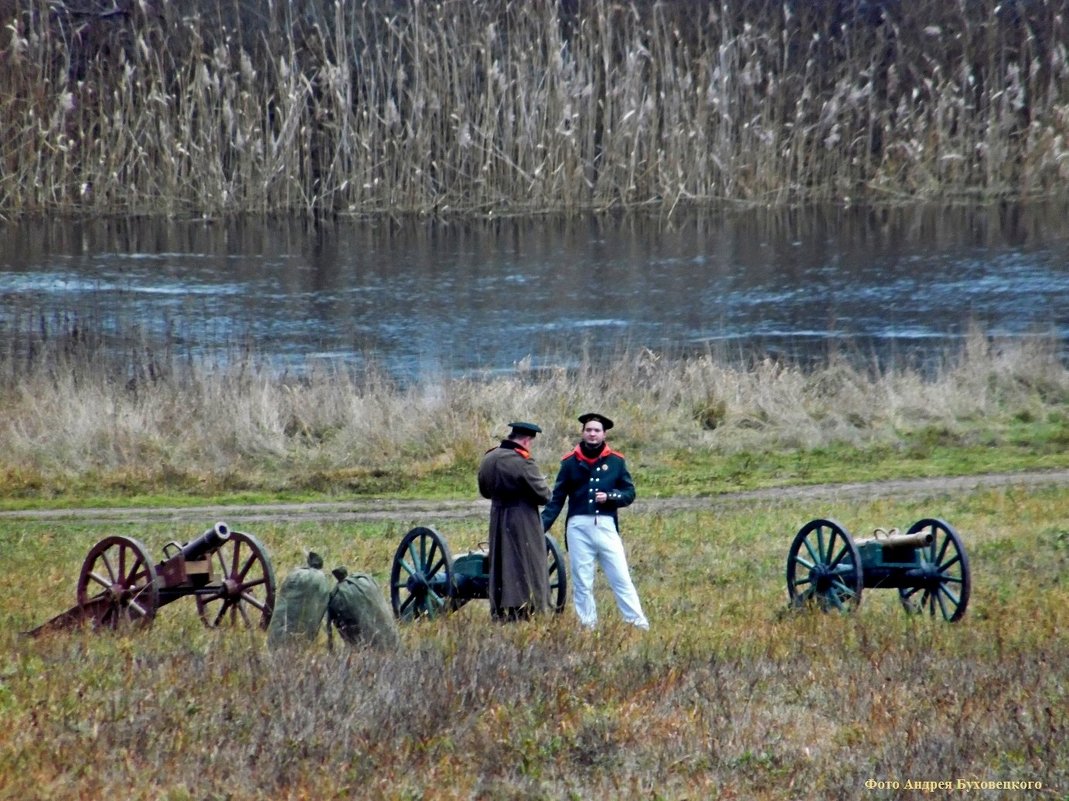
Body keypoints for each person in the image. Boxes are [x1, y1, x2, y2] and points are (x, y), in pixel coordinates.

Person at [542, 412, 649, 631]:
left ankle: (637, 624)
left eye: (596, 431)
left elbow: (629, 493)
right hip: (578, 527)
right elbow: (557, 499)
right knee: (582, 581)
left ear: (604, 434)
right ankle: (587, 625)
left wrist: (610, 497)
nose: (592, 434)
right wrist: (540, 527)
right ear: (583, 432)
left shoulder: (616, 461)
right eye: (589, 430)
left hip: (606, 526)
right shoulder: (569, 462)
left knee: (621, 577)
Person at [477, 421, 553, 622]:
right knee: (526, 562)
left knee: (501, 560)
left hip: (498, 516)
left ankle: (501, 606)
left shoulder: (489, 458)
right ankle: (527, 605)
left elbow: (484, 491)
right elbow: (544, 495)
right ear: (527, 440)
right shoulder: (523, 461)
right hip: (522, 519)